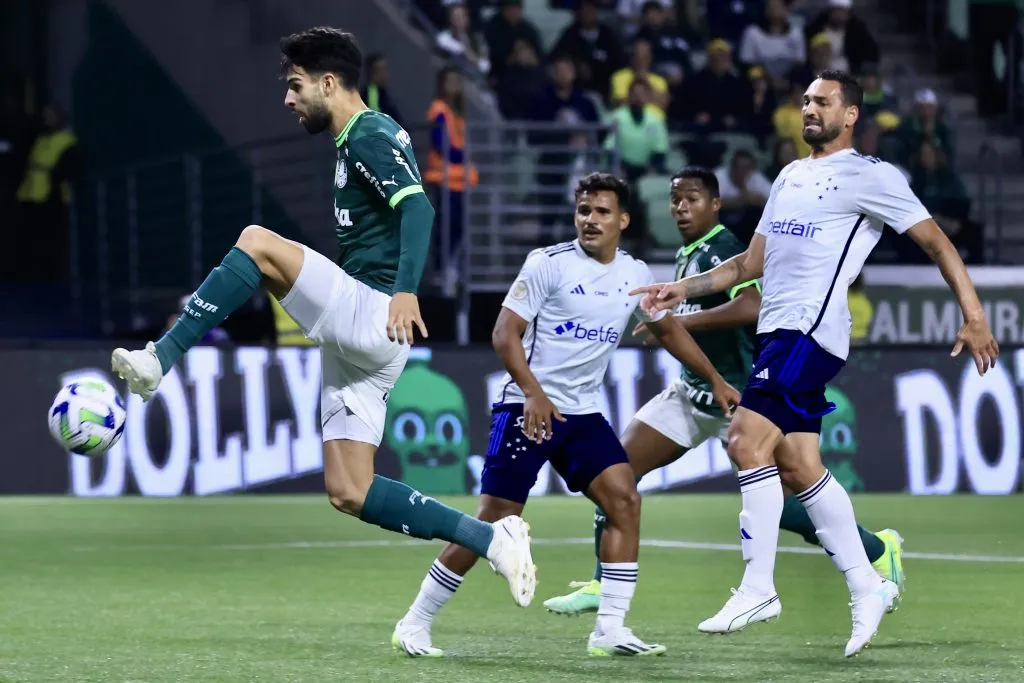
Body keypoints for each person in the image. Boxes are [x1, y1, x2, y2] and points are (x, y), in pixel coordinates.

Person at [109, 26, 537, 607]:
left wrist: (407, 291)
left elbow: (419, 209)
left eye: (295, 85)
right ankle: (490, 538)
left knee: (258, 242)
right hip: (364, 339)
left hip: (375, 312)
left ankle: (160, 358)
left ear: (329, 82)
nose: (288, 99)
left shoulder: (370, 132)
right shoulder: (351, 142)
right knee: (349, 490)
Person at [630, 70, 999, 657]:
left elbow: (938, 243)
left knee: (745, 443)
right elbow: (747, 264)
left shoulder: (872, 175)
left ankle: (758, 587)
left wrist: (974, 313)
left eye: (822, 101)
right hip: (778, 332)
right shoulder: (790, 175)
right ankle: (867, 583)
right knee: (798, 466)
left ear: (850, 114)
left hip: (810, 331)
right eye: (804, 100)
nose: (809, 108)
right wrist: (682, 290)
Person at [391, 172, 741, 658]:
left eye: (601, 212)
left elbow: (669, 333)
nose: (590, 220)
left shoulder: (635, 275)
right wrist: (533, 393)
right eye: (583, 211)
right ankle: (415, 621)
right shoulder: (547, 264)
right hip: (525, 408)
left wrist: (717, 379)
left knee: (624, 501)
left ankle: (610, 629)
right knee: (491, 525)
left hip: (581, 415)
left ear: (623, 220)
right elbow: (504, 334)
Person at [543, 168, 905, 617]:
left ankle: (875, 549)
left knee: (792, 496)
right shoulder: (688, 252)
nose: (681, 208)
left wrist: (680, 323)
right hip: (692, 394)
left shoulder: (726, 247)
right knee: (613, 471)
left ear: (715, 204)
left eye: (691, 199)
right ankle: (603, 582)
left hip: (737, 395)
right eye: (675, 200)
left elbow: (753, 306)